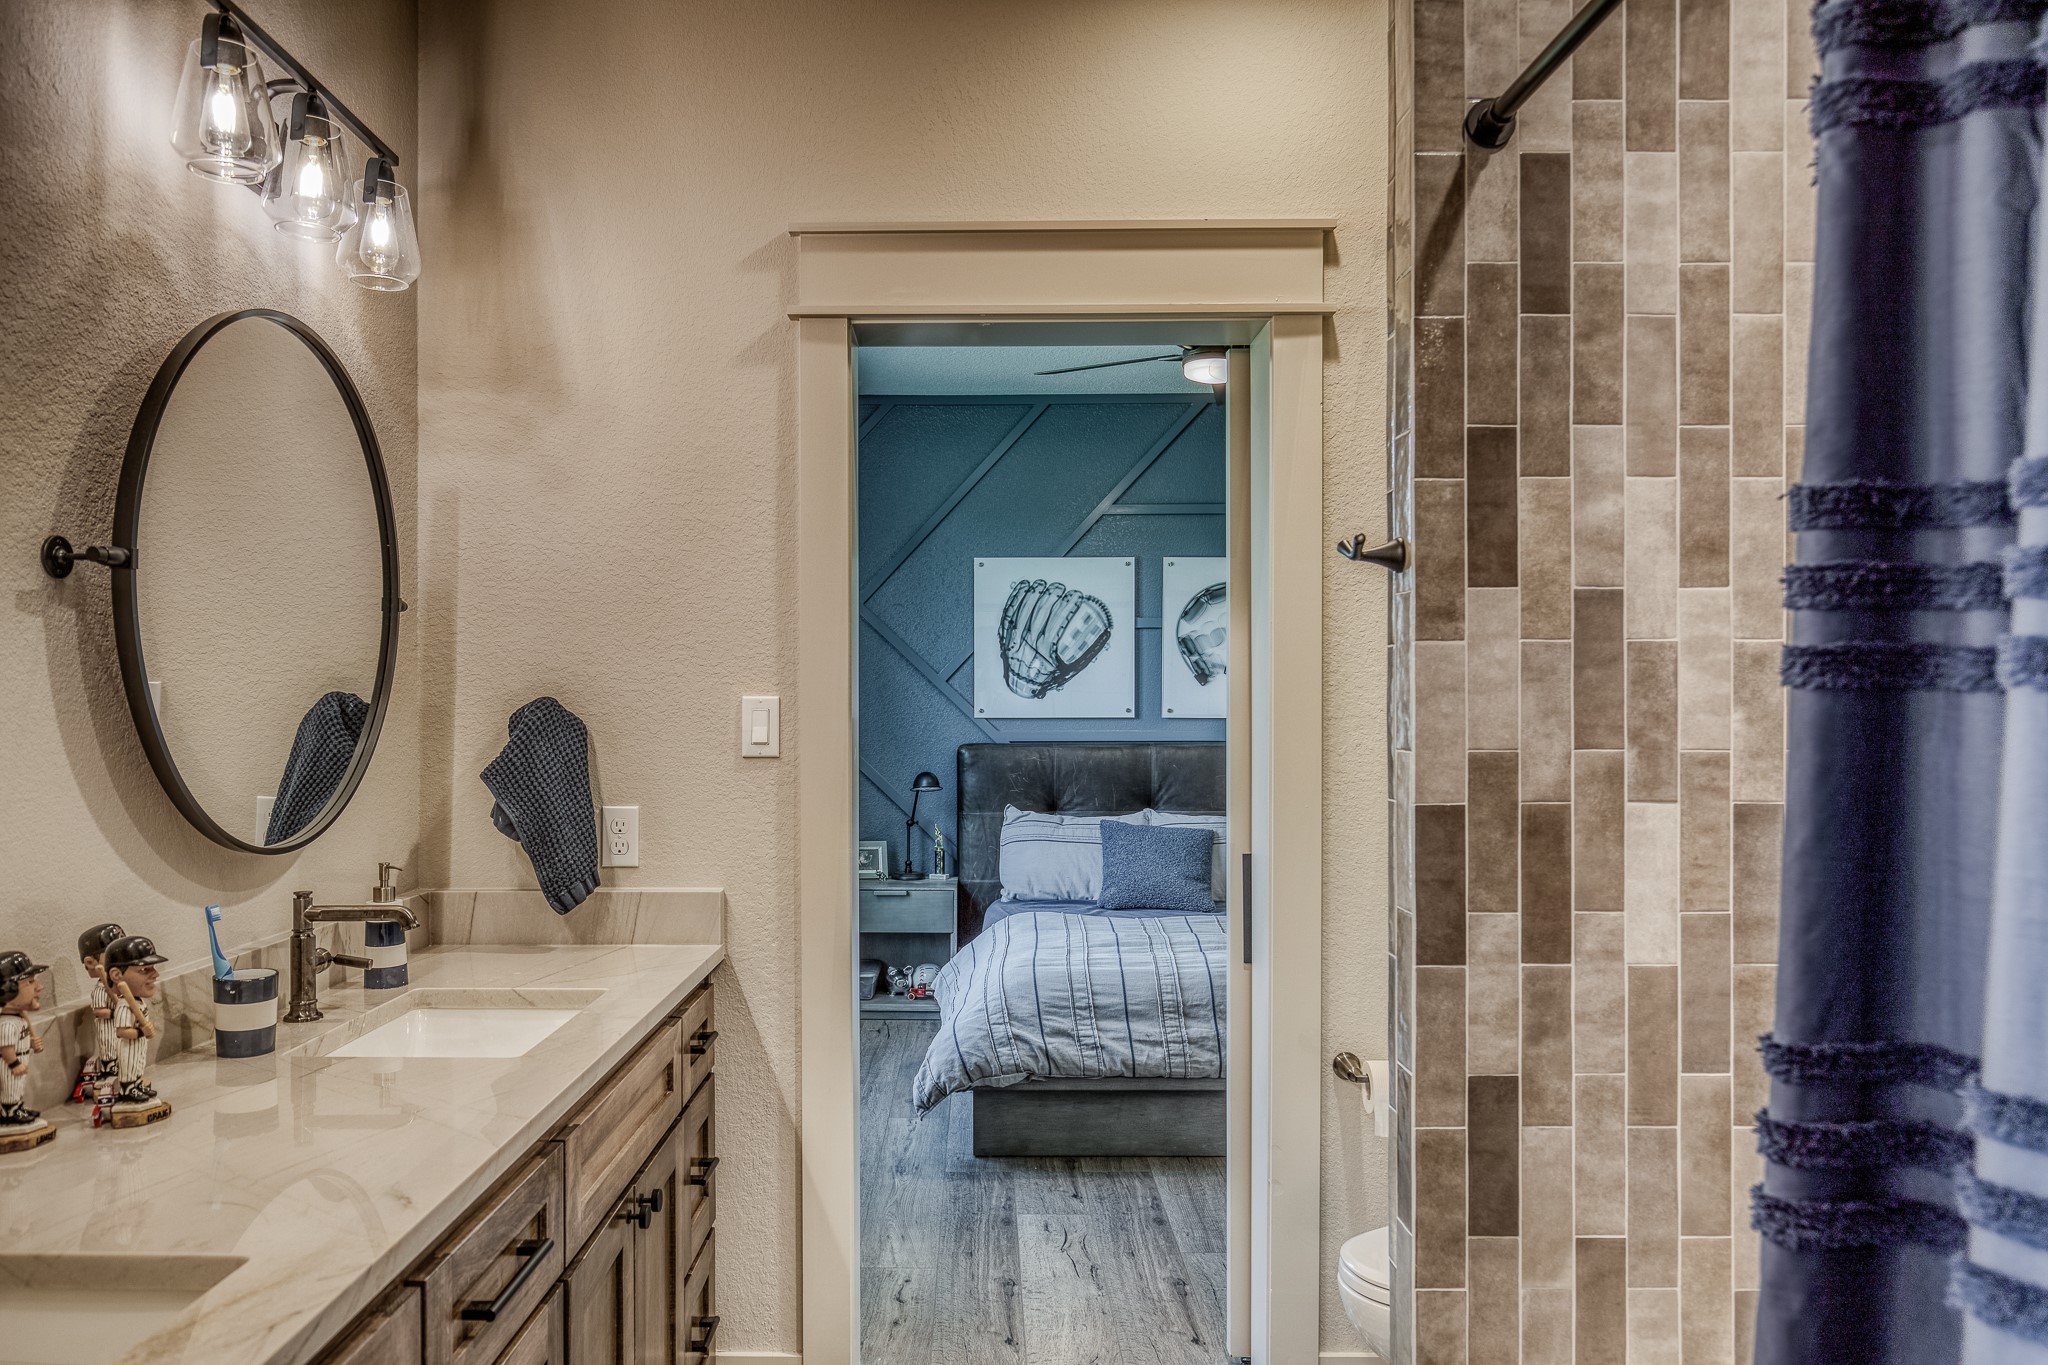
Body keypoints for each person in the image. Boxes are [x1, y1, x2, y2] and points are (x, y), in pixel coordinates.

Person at [103, 935, 167, 1108]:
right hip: (129, 1047)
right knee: (130, 1067)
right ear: (117, 975)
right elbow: (121, 1032)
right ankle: (128, 1089)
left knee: (138, 1066)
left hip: (138, 1045)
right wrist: (140, 1032)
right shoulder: (125, 1006)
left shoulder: (137, 1001)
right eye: (145, 970)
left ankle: (137, 1085)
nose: (155, 975)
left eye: (153, 968)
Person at [71, 922, 124, 1103]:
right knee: (110, 1050)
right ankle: (110, 1074)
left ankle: (122, 1073)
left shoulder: (115, 985)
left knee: (121, 1050)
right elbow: (99, 1012)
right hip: (108, 1029)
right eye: (111, 954)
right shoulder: (101, 989)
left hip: (120, 1029)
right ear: (90, 963)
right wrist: (118, 1012)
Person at [0, 958, 50, 1132]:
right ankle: (10, 1113)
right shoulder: (6, 1023)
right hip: (10, 1065)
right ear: (7, 991)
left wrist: (29, 1043)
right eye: (30, 982)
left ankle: (18, 1108)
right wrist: (14, 1064)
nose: (39, 987)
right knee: (10, 1089)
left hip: (20, 1058)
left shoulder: (18, 1019)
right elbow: (5, 1047)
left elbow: (16, 1042)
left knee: (18, 1088)